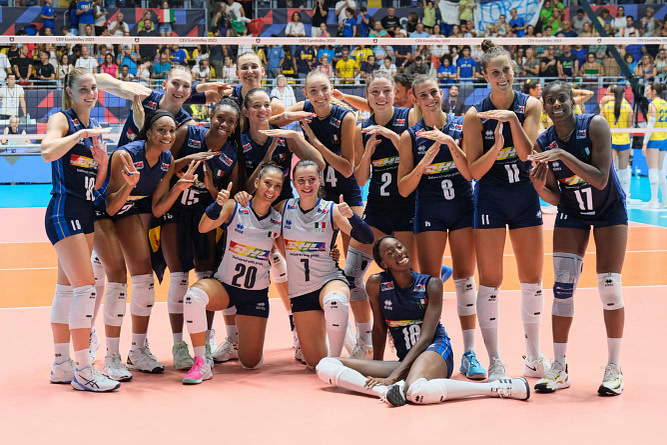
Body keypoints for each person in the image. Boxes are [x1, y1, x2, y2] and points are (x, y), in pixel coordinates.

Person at [316, 236, 530, 406]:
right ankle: (384, 392)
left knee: (416, 391)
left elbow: (427, 336)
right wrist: (376, 367)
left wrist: (393, 377)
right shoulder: (376, 284)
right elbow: (379, 328)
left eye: (399, 247)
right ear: (383, 263)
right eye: (390, 253)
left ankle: (499, 387)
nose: (398, 253)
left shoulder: (431, 284)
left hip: (435, 351)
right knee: (326, 365)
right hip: (406, 362)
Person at [529, 81, 627, 396]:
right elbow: (556, 198)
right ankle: (559, 367)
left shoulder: (595, 125)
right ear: (544, 106)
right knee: (562, 286)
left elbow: (600, 179)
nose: (556, 104)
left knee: (609, 285)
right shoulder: (543, 142)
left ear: (572, 100)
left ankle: (614, 367)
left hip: (609, 210)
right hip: (572, 212)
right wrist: (540, 188)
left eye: (561, 99)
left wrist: (561, 154)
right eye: (550, 101)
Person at [462, 40, 548, 381]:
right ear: (485, 75)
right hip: (491, 199)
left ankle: (533, 355)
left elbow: (527, 154)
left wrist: (512, 119)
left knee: (532, 278)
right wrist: (496, 149)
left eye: (507, 71)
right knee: (491, 280)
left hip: (525, 196)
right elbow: (473, 171)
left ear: (515, 72)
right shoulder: (474, 115)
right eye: (495, 72)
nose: (502, 77)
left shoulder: (530, 105)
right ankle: (495, 359)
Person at [396, 75, 484, 380]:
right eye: (423, 95)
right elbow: (404, 189)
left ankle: (470, 353)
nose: (430, 98)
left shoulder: (461, 125)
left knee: (464, 279)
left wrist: (449, 144)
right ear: (415, 100)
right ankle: (433, 348)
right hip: (430, 212)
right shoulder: (410, 136)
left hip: (462, 208)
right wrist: (423, 164)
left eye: (434, 92)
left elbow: (471, 173)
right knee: (431, 284)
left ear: (442, 93)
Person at [102, 111, 200, 375]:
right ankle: (111, 355)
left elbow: (157, 209)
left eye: (171, 130)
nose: (167, 136)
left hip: (135, 211)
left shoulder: (166, 159)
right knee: (115, 280)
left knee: (142, 280)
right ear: (148, 133)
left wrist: (178, 188)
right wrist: (130, 186)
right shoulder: (126, 155)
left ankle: (136, 350)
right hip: (106, 212)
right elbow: (110, 206)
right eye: (161, 130)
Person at [41, 67, 118, 392]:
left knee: (67, 289)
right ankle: (84, 370)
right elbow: (47, 152)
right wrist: (78, 137)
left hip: (84, 211)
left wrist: (101, 163)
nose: (91, 94)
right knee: (86, 288)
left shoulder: (92, 129)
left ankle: (61, 365)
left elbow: (95, 187)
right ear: (70, 91)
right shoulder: (63, 118)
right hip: (64, 209)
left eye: (93, 88)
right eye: (84, 89)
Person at [157, 98, 243, 370]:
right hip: (176, 212)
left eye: (230, 121)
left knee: (205, 279)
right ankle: (178, 345)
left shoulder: (231, 154)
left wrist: (209, 184)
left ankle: (203, 343)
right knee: (180, 278)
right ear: (211, 114)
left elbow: (228, 197)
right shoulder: (188, 132)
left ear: (235, 125)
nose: (223, 124)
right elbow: (163, 165)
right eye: (220, 117)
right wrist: (187, 160)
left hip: (205, 217)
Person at [180, 163, 285, 383]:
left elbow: (290, 254)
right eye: (267, 183)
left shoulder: (277, 220)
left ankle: (242, 342)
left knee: (250, 363)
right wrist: (217, 205)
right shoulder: (234, 206)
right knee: (194, 296)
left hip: (255, 295)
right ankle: (201, 361)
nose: (271, 190)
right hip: (225, 287)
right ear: (256, 183)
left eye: (277, 186)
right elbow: (203, 227)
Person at [346, 72, 417, 359]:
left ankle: (408, 341)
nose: (381, 97)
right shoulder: (362, 128)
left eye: (386, 91)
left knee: (404, 277)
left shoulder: (408, 116)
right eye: (375, 92)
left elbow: (416, 155)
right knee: (351, 275)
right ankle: (364, 341)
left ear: (393, 93)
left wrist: (393, 137)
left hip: (406, 208)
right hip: (376, 209)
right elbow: (360, 178)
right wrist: (367, 153)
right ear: (368, 96)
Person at [279, 159, 374, 368]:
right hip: (300, 292)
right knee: (314, 363)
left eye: (311, 180)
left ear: (320, 181)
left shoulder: (331, 209)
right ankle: (341, 329)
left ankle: (336, 361)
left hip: (328, 280)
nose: (306, 185)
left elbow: (367, 237)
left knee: (335, 301)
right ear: (293, 183)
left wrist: (353, 217)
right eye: (301, 181)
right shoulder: (284, 208)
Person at [600, 85, 633, 199]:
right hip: (624, 140)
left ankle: (613, 193)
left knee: (612, 169)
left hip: (611, 140)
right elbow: (629, 124)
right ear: (623, 94)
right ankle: (626, 193)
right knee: (624, 168)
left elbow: (601, 121)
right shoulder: (628, 107)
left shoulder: (607, 106)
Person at [642, 82, 667, 208]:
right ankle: (665, 201)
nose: (646, 92)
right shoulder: (665, 103)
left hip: (654, 139)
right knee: (661, 169)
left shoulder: (652, 105)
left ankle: (654, 200)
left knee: (653, 169)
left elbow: (650, 126)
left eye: (648, 90)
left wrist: (645, 143)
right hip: (664, 138)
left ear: (654, 91)